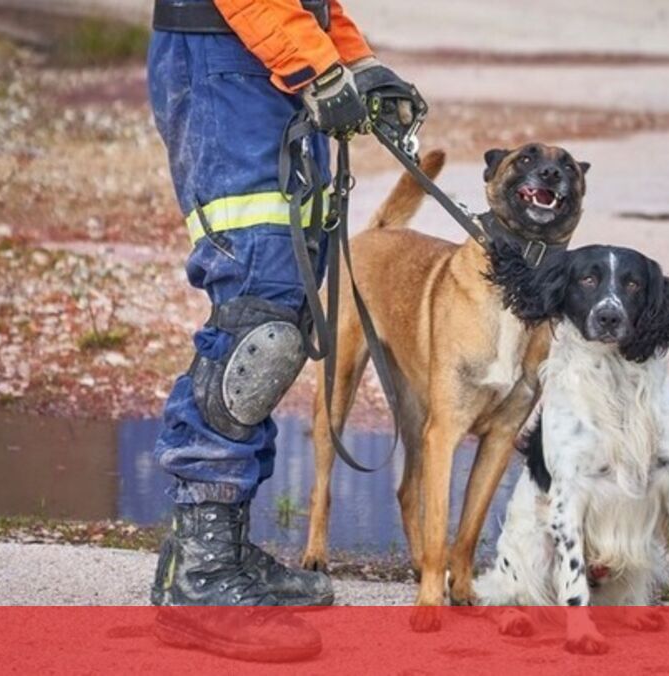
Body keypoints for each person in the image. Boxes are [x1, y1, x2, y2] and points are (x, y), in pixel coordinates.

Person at [144, 0, 422, 654]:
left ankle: (219, 549)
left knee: (285, 303)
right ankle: (202, 574)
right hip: (229, 66)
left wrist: (354, 61)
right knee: (258, 320)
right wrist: (319, 68)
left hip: (266, 66)